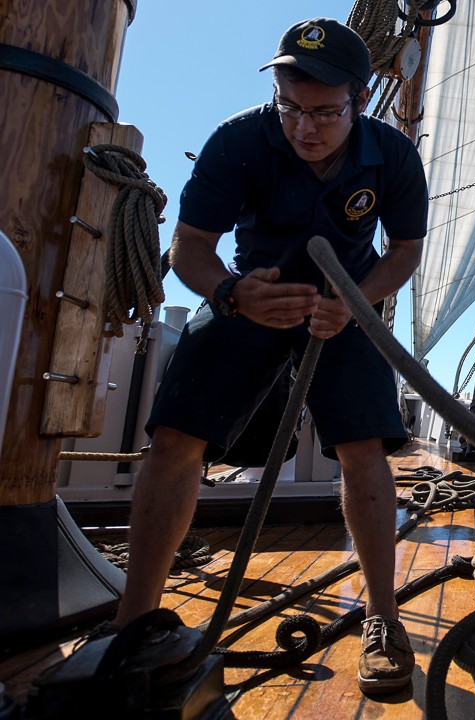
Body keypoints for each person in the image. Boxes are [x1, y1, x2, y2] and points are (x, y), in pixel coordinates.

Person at [110, 18, 427, 694]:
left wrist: (357, 300)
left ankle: (382, 620)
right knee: (173, 441)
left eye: (322, 112)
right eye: (289, 106)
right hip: (252, 291)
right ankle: (132, 621)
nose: (303, 127)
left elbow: (403, 251)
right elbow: (189, 247)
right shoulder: (237, 140)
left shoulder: (395, 156)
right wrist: (230, 293)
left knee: (363, 449)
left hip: (345, 300)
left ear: (360, 100)